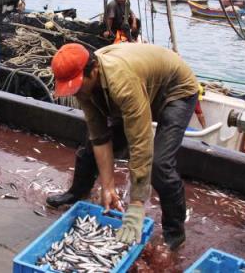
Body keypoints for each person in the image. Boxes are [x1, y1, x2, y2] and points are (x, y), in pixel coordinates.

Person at [49, 43, 199, 250]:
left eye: (77, 85)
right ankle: (78, 192)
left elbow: (140, 141)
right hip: (141, 85)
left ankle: (175, 232)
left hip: (176, 90)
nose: (76, 92)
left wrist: (137, 204)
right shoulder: (84, 83)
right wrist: (107, 186)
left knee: (160, 164)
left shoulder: (122, 83)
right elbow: (99, 137)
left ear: (93, 70)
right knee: (90, 148)